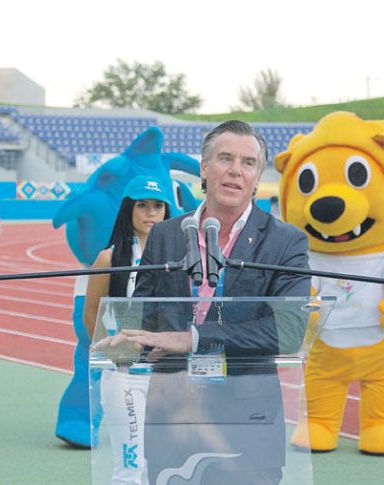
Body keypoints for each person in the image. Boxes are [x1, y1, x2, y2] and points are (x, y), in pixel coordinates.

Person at [102, 121, 311, 484]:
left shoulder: (286, 242)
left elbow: (289, 331)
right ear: (203, 167)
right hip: (173, 410)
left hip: (247, 420)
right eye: (225, 158)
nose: (235, 170)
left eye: (247, 163)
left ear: (257, 176)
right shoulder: (166, 234)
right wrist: (130, 341)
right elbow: (144, 310)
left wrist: (194, 338)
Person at [84, 175, 171, 485]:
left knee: (158, 468)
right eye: (142, 206)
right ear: (128, 210)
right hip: (125, 376)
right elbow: (92, 315)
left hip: (165, 377)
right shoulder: (109, 258)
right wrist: (119, 350)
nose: (150, 213)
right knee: (129, 470)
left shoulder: (176, 259)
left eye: (158, 206)